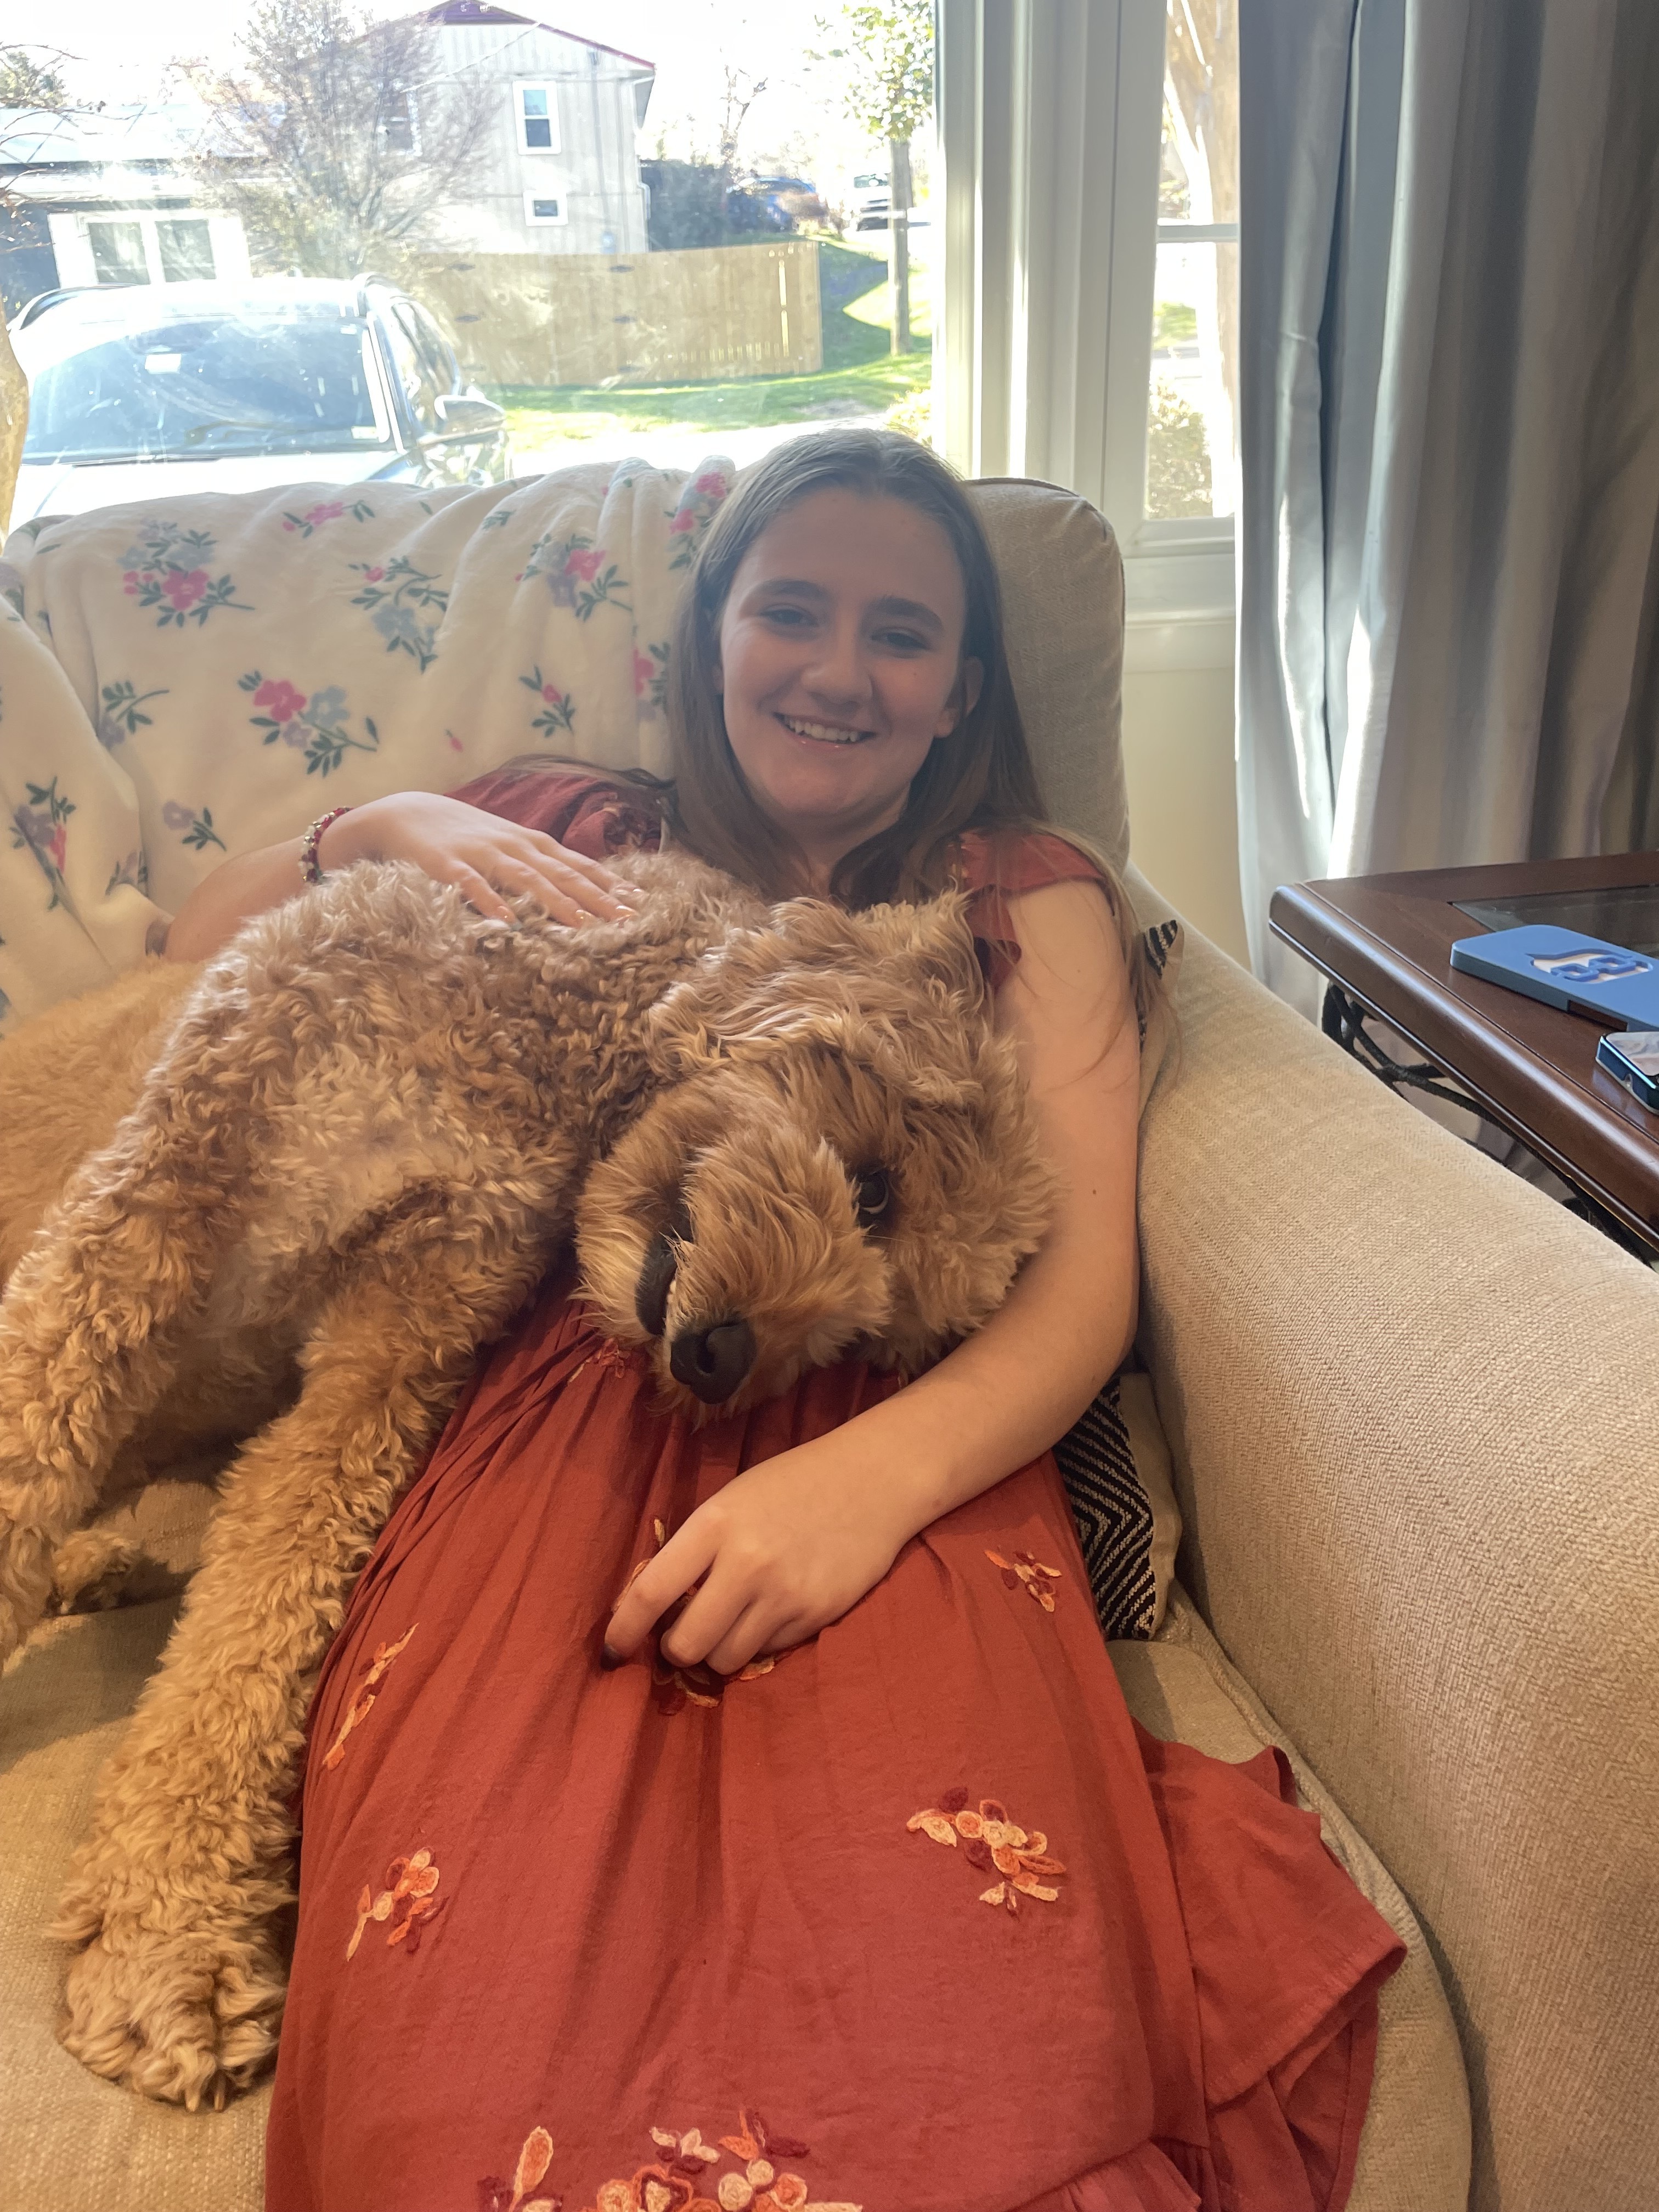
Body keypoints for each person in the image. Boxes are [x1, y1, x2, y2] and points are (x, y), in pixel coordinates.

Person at [166, 431, 1401, 2212]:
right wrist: (370, 832)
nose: (839, 670)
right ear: (712, 638)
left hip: (906, 1438)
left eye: (901, 634)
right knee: (462, 2052)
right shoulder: (569, 826)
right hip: (548, 1426)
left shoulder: (1019, 893)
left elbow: (1082, 1282)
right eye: (792, 612)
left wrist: (864, 1490)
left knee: (958, 2032)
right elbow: (193, 957)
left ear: (959, 688)